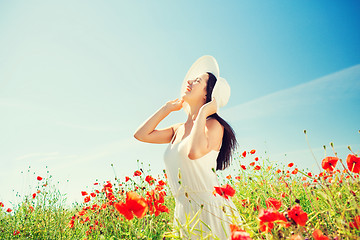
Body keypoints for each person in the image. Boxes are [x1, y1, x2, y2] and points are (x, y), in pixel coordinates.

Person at [134, 56, 240, 239]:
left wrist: (204, 112)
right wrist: (166, 108)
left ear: (207, 95)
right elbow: (141, 135)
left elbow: (194, 152)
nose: (189, 81)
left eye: (197, 80)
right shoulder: (178, 129)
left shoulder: (214, 125)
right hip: (184, 211)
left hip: (210, 210)